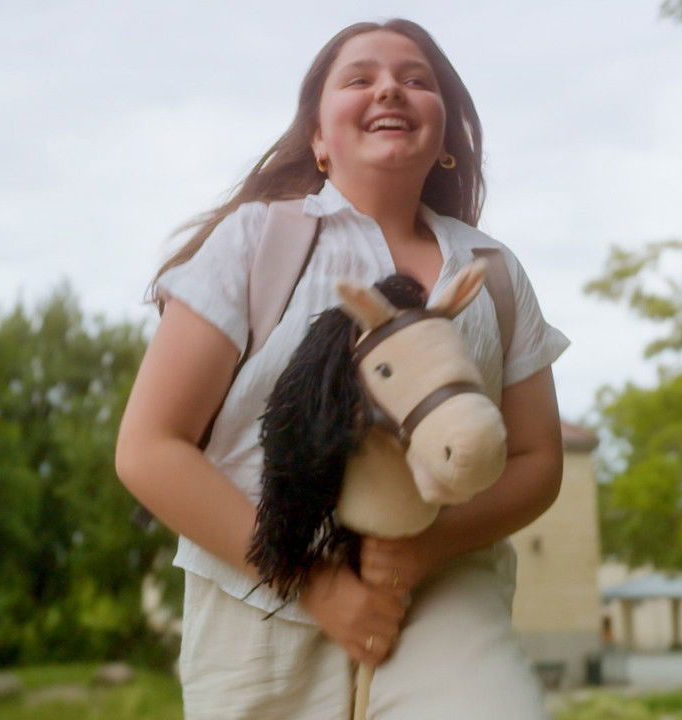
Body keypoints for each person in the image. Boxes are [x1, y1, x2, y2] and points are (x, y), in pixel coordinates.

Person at [115, 18, 569, 720]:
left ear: (445, 137)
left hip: (444, 592)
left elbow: (538, 459)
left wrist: (425, 550)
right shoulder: (256, 241)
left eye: (416, 79)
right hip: (257, 610)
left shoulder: (492, 274)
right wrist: (318, 585)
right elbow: (149, 448)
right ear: (319, 139)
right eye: (360, 78)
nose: (390, 88)